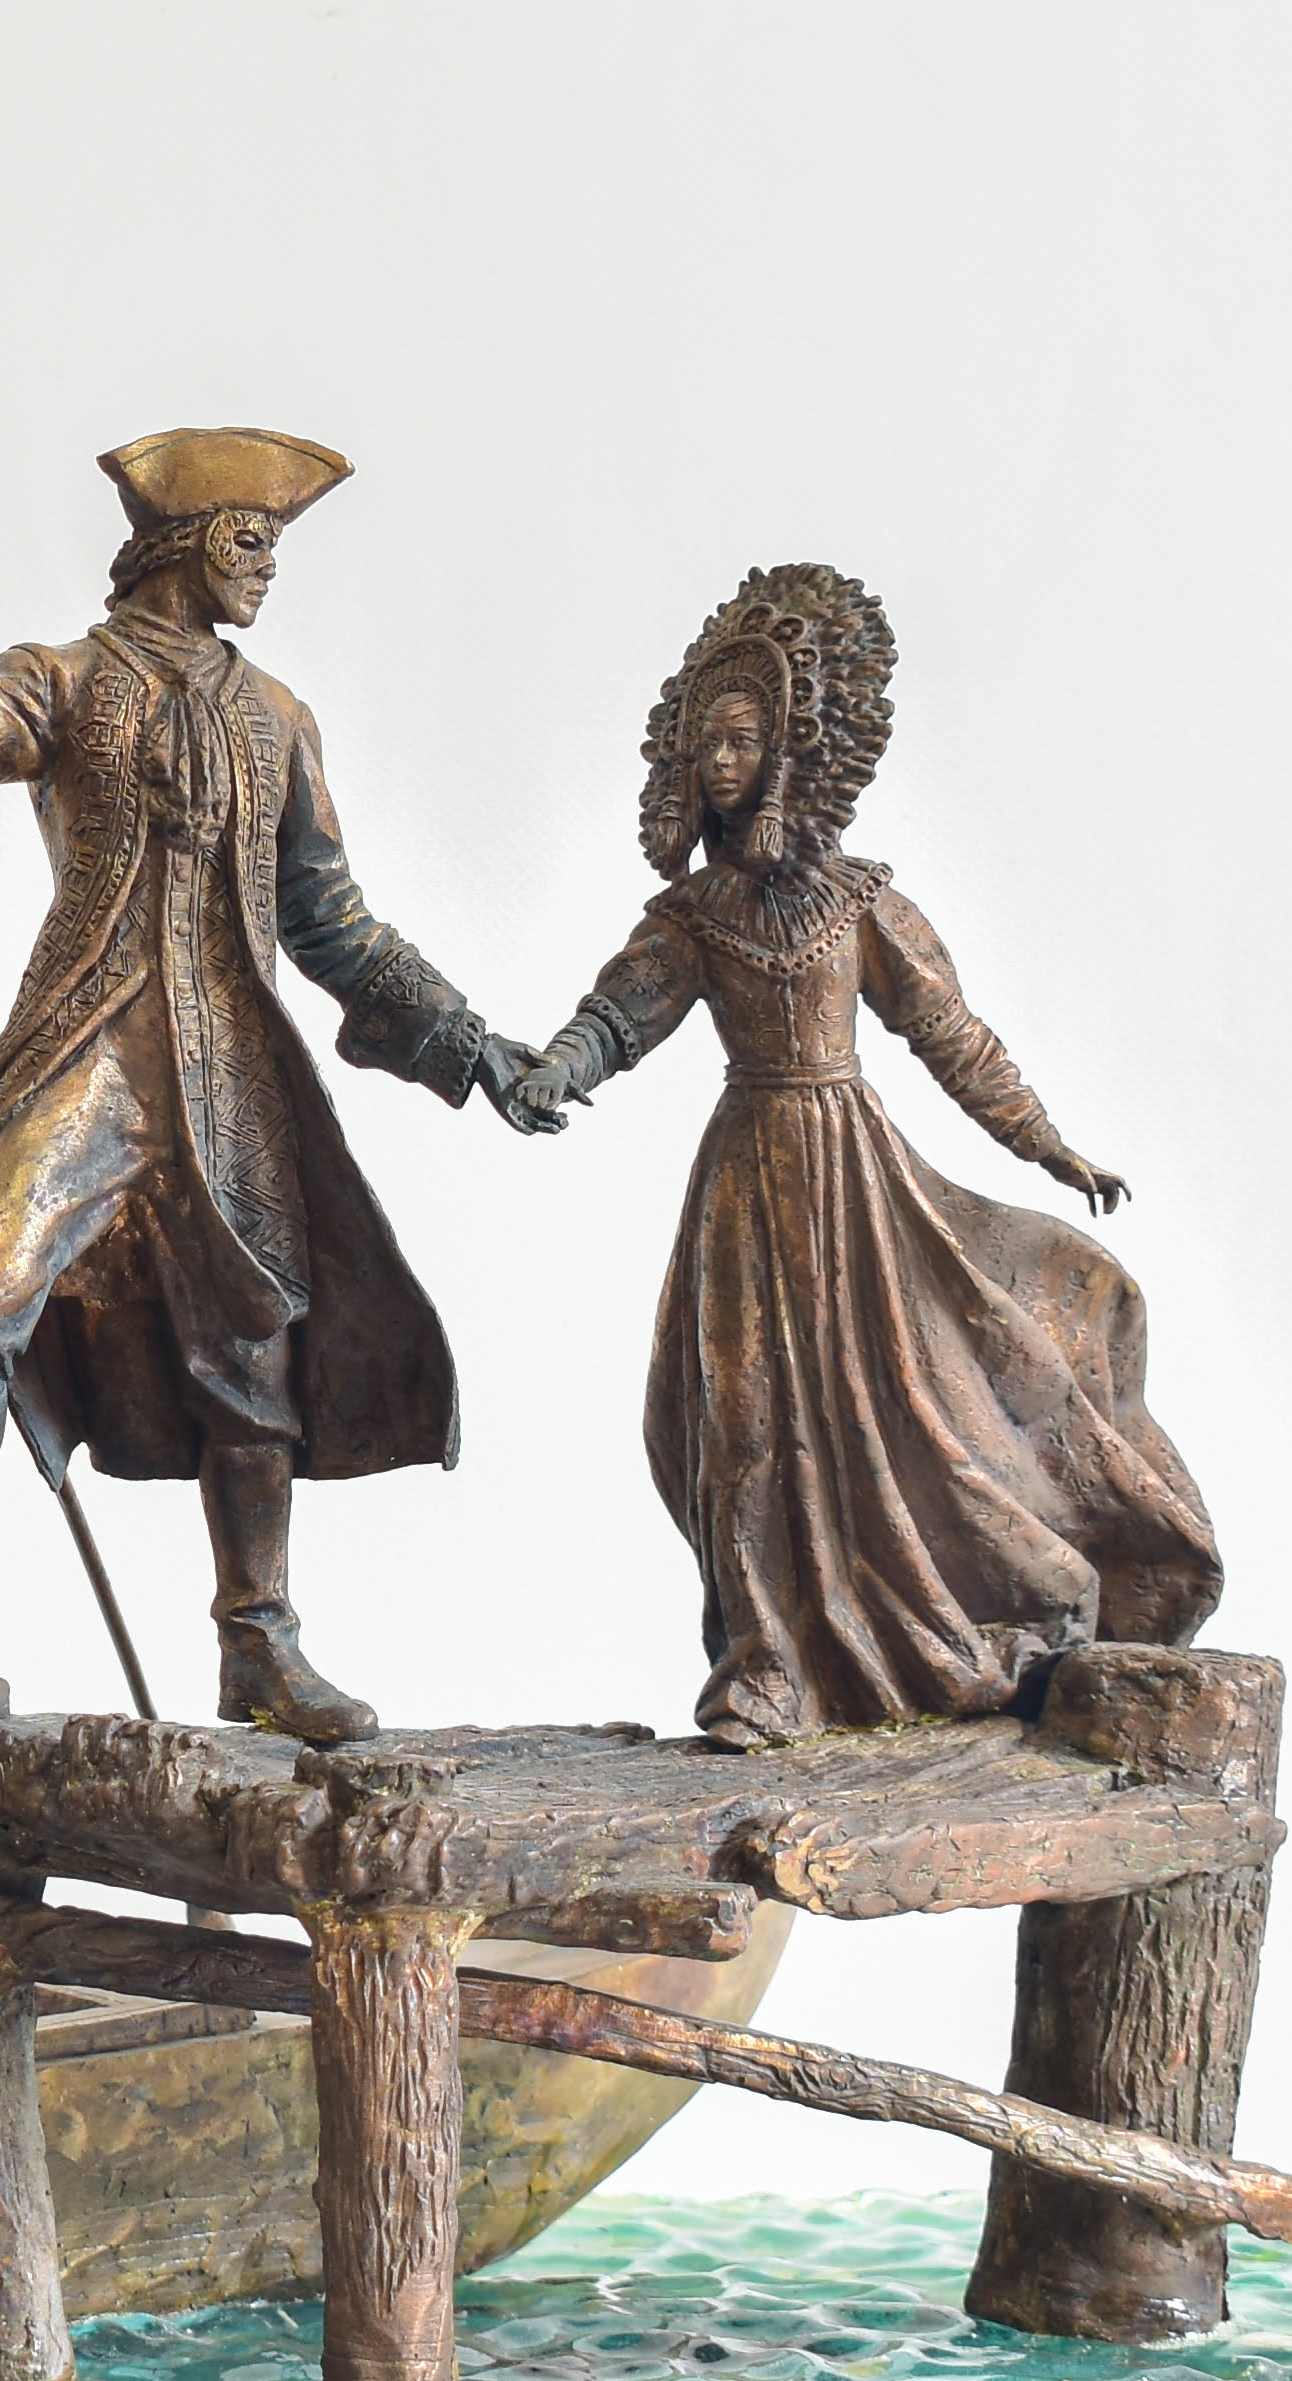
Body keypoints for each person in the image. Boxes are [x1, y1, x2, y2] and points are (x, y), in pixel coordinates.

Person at [0, 426, 542, 1745]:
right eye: (250, 540)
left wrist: (466, 1046)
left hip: (226, 1071)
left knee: (250, 1355)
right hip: (88, 1050)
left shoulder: (277, 719)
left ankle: (260, 1641)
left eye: (273, 546)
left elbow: (332, 923)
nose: (266, 567)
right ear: (182, 543)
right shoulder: (69, 680)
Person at [502, 565, 1223, 1749]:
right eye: (706, 745)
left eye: (742, 741)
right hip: (747, 1184)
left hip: (855, 1183)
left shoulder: (860, 903)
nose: (720, 763)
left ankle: (929, 1634)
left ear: (789, 753)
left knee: (904, 1408)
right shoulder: (693, 917)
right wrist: (556, 1069)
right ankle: (770, 1667)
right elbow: (622, 1012)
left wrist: (1050, 1146)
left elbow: (952, 1035)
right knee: (743, 1420)